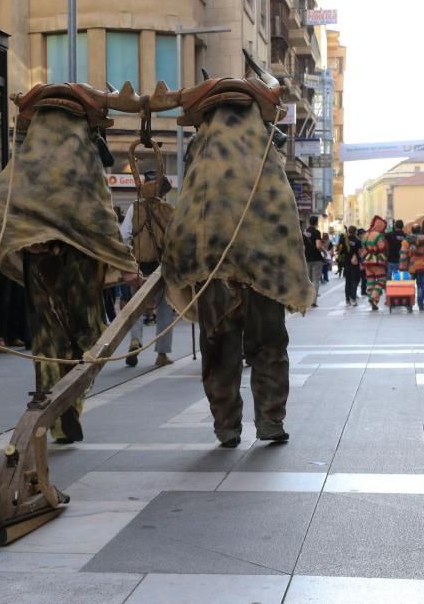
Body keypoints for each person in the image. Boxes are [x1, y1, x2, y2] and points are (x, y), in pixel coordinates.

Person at [0, 83, 139, 444]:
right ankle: (69, 405)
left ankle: (57, 415)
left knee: (47, 341)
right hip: (81, 262)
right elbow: (100, 216)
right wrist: (124, 262)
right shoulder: (83, 161)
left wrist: (24, 238)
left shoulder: (26, 162)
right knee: (89, 336)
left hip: (39, 263)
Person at [161, 83, 314, 449]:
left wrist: (180, 265)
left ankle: (227, 426)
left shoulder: (202, 160)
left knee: (219, 351)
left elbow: (183, 221)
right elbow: (285, 220)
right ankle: (270, 420)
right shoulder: (266, 160)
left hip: (215, 275)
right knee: (269, 346)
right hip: (263, 276)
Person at [121, 171, 175, 368]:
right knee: (164, 309)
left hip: (138, 265)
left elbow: (124, 235)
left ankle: (135, 341)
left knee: (136, 307)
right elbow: (175, 239)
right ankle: (162, 353)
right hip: (161, 267)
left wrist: (128, 262)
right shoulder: (168, 209)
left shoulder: (134, 208)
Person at [400, 220, 424, 311]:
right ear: (420, 230)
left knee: (410, 285)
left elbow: (403, 255)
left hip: (411, 267)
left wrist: (402, 267)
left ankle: (410, 305)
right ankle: (421, 305)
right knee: (420, 285)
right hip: (423, 267)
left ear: (412, 230)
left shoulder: (407, 241)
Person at [361, 216, 389, 310]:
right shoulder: (378, 235)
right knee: (381, 279)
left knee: (370, 280)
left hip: (367, 260)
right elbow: (382, 247)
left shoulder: (365, 235)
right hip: (377, 260)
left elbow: (363, 249)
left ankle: (372, 299)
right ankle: (374, 297)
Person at [302, 215, 324, 307]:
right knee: (315, 280)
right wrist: (324, 251)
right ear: (316, 222)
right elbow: (318, 246)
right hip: (316, 259)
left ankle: (307, 299)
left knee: (308, 280)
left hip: (306, 258)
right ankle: (313, 301)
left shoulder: (304, 232)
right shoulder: (316, 232)